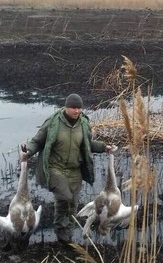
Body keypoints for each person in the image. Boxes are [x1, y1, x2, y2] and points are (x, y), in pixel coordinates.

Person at [21, 93, 115, 245]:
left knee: (73, 205)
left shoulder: (84, 123)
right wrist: (28, 151)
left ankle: (67, 235)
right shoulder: (53, 122)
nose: (76, 111)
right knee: (64, 197)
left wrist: (104, 147)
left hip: (75, 171)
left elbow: (88, 144)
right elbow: (37, 141)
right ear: (65, 107)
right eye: (73, 107)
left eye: (79, 108)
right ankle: (60, 229)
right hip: (55, 168)